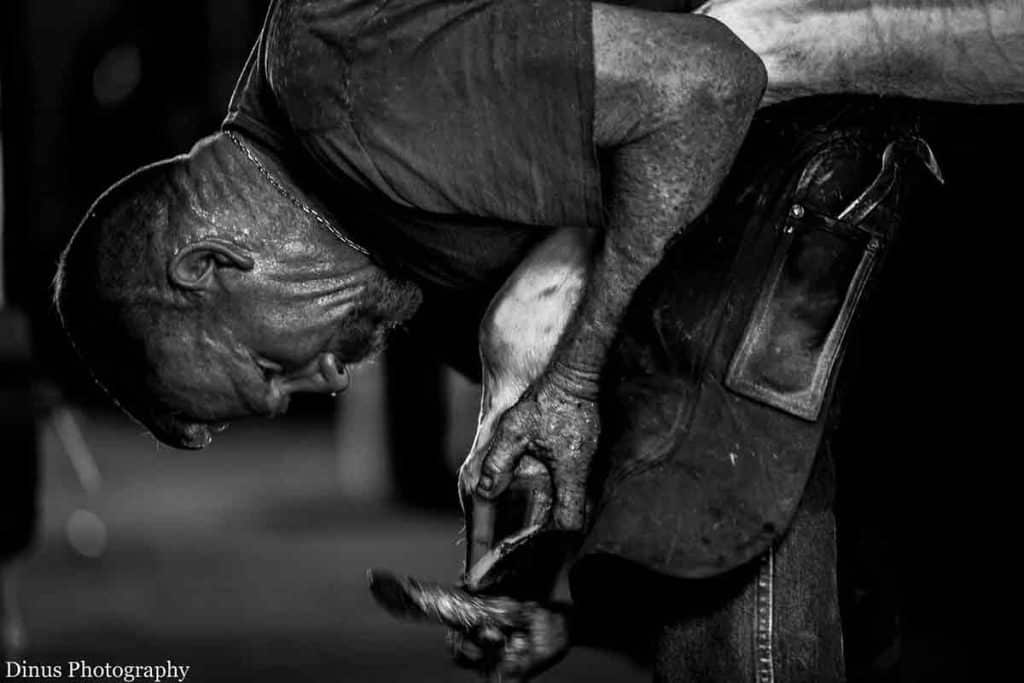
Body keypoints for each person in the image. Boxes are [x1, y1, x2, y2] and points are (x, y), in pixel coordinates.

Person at [54, 0, 1022, 680]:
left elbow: (710, 81)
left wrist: (573, 371)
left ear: (214, 261)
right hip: (799, 158)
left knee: (700, 493)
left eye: (275, 364)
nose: (331, 376)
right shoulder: (392, 259)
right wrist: (558, 589)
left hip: (812, 58)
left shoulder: (346, 80)